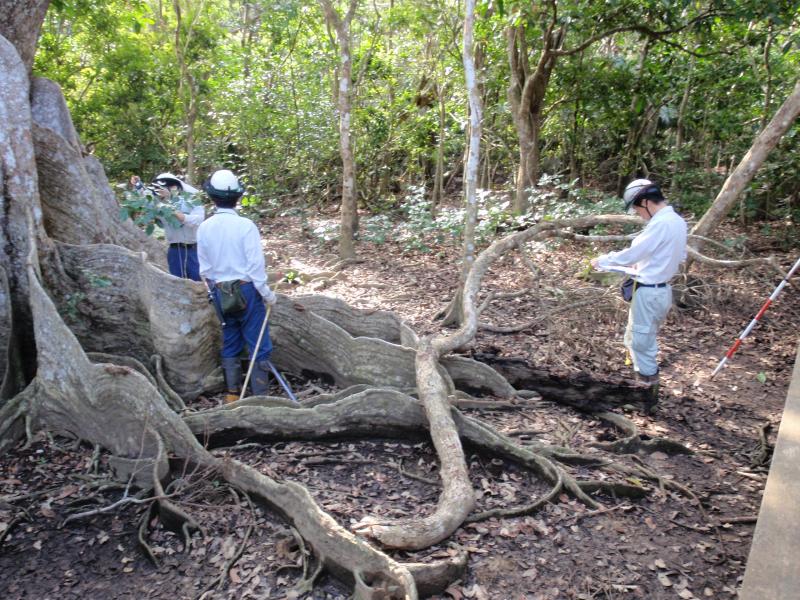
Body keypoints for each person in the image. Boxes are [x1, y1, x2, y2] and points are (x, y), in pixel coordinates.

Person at [591, 178, 687, 410]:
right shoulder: (676, 221)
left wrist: (602, 260)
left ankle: (646, 400)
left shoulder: (661, 224)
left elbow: (632, 253)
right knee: (637, 340)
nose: (636, 212)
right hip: (660, 290)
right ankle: (640, 391)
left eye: (636, 207)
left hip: (650, 292)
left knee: (642, 345)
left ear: (645, 202)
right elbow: (676, 256)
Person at [197, 169, 278, 403]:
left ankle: (233, 395)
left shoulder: (204, 227)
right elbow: (255, 268)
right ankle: (260, 397)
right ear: (237, 197)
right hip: (247, 291)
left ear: (212, 197)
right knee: (258, 342)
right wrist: (268, 295)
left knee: (230, 338)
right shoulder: (246, 226)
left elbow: (205, 269)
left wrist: (213, 290)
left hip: (219, 290)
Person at [129, 173, 205, 281]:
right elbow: (146, 201)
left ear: (173, 188)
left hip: (193, 250)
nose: (160, 192)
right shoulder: (159, 204)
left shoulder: (190, 200)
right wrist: (138, 185)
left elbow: (198, 219)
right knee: (176, 283)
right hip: (174, 251)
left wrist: (179, 214)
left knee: (197, 283)